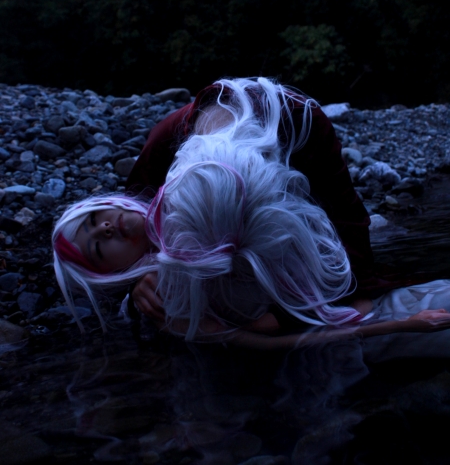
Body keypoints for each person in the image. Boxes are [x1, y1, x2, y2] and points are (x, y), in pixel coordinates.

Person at [52, 77, 450, 343]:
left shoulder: (304, 126)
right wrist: (139, 281)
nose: (105, 227)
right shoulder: (157, 162)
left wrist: (339, 306)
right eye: (97, 245)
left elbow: (351, 230)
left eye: (94, 221)